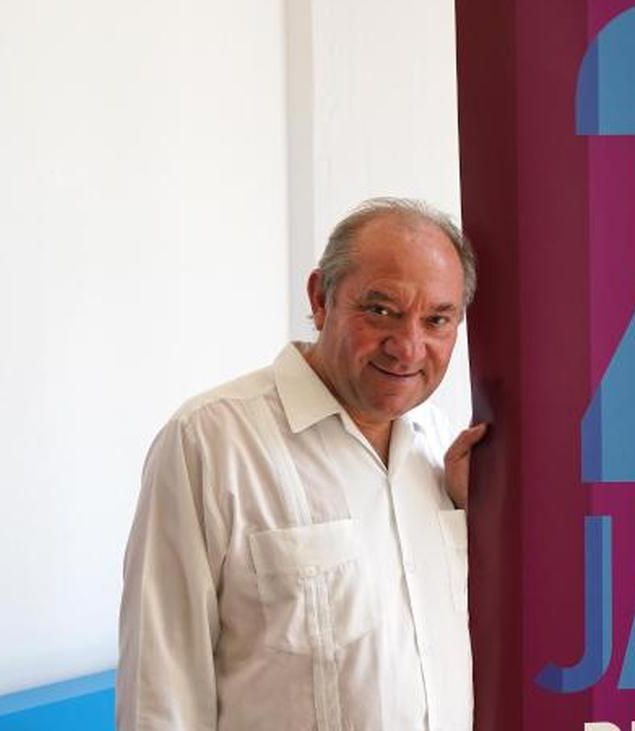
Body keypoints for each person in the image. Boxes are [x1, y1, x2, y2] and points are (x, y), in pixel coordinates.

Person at [117, 197, 487, 730]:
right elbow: (161, 691)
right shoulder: (210, 442)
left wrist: (474, 514)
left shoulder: (441, 446)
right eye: (381, 311)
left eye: (437, 320)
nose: (408, 347)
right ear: (320, 298)